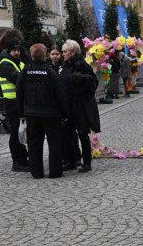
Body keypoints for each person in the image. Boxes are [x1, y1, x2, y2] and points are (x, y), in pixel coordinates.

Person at [15, 43, 69, 180]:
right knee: (54, 143)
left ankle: (36, 172)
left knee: (34, 144)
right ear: (45, 55)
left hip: (32, 114)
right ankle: (55, 172)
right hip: (51, 114)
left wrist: (21, 113)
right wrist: (65, 113)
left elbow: (19, 93)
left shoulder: (25, 70)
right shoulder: (50, 70)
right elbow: (59, 93)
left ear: (32, 55)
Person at [58, 39, 99, 173]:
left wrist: (82, 83)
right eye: (62, 52)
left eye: (65, 52)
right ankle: (71, 160)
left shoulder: (82, 65)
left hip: (79, 105)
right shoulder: (65, 65)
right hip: (67, 105)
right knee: (67, 134)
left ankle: (87, 162)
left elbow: (93, 82)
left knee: (82, 133)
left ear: (73, 52)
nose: (63, 54)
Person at [0, 39, 29, 172]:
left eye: (19, 50)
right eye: (14, 50)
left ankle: (23, 158)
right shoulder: (5, 64)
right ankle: (17, 162)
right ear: (9, 51)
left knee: (22, 131)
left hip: (21, 102)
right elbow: (18, 78)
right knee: (15, 132)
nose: (17, 52)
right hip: (11, 102)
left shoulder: (19, 63)